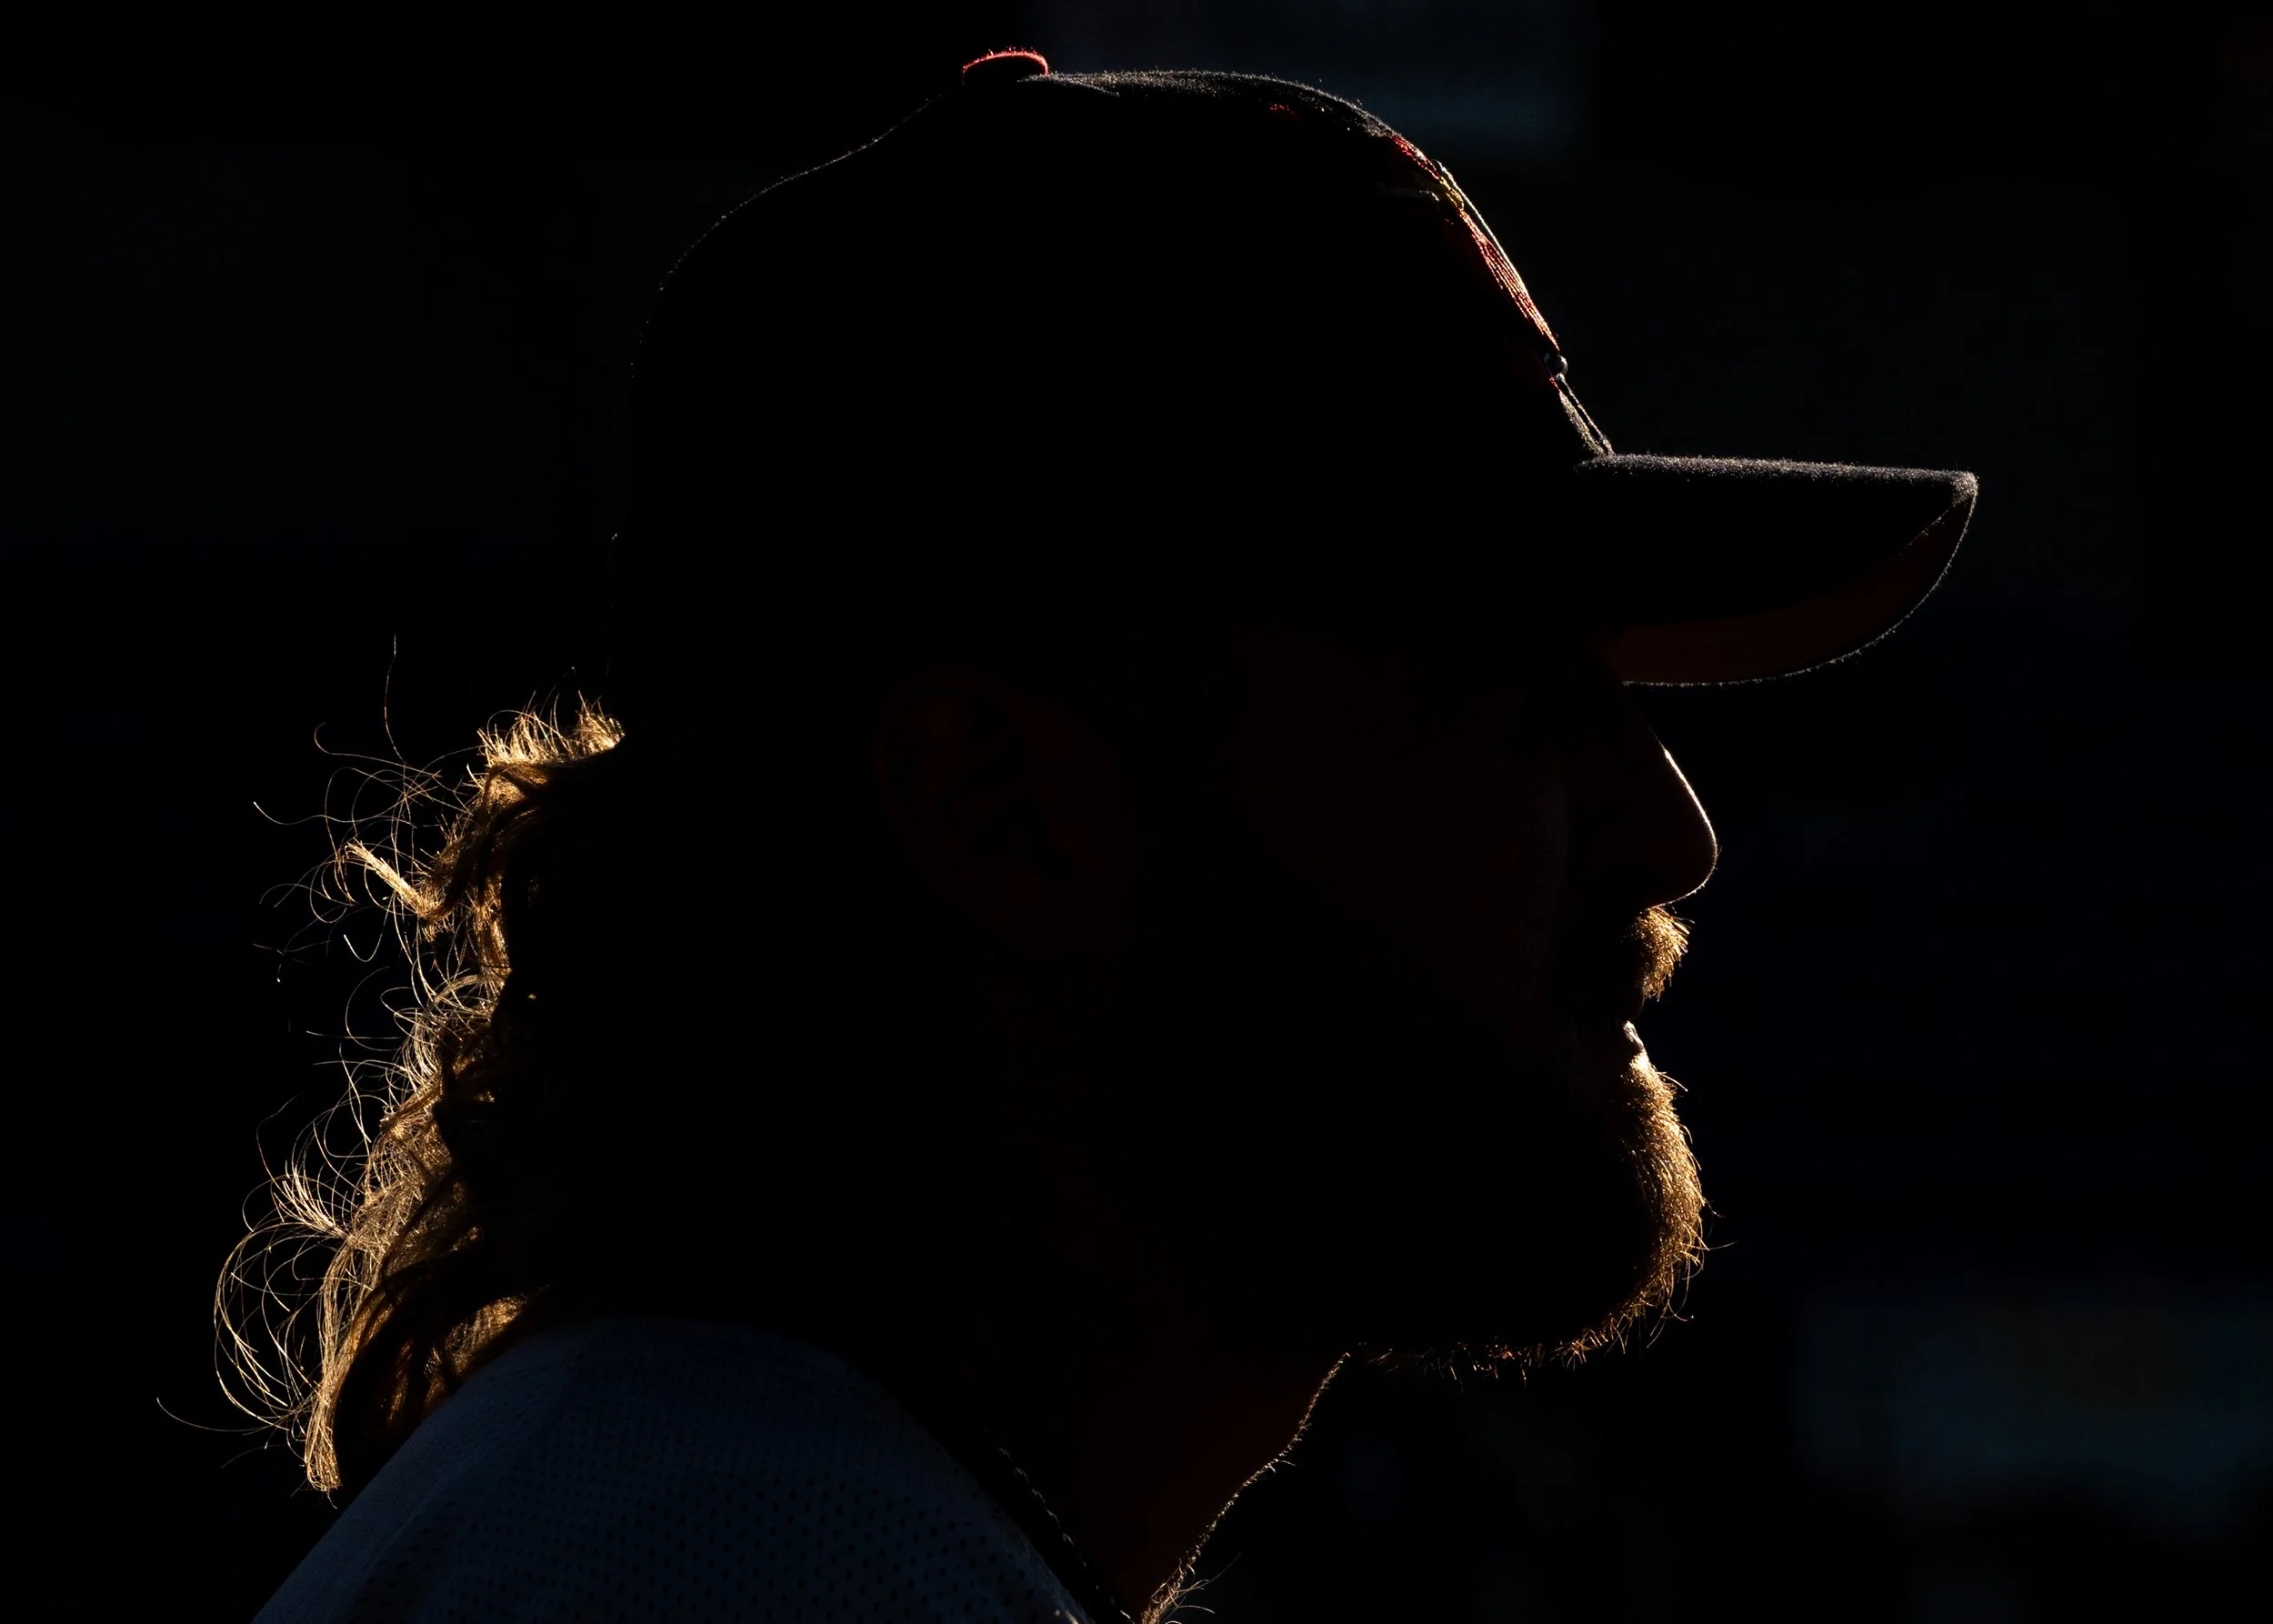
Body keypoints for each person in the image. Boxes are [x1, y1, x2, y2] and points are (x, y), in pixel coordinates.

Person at [231, 53, 1976, 1624]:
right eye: (1514, 704)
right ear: (1004, 806)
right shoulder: (774, 1556)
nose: (1670, 835)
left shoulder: (724, 1493)